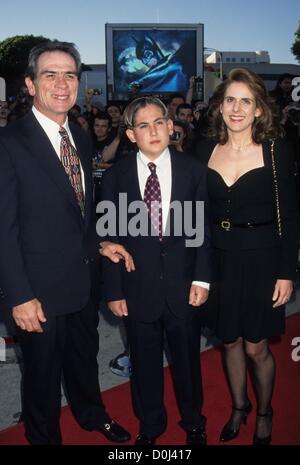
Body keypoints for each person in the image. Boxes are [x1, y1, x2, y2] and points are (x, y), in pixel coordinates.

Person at [0, 40, 133, 445]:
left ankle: (92, 414)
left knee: (83, 360)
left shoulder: (79, 134)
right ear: (29, 83)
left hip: (82, 281)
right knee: (41, 376)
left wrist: (98, 244)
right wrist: (19, 295)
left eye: (69, 75)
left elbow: (78, 210)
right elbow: (3, 228)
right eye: (50, 75)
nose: (61, 84)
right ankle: (44, 437)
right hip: (36, 290)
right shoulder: (8, 143)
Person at [100, 96, 211, 445]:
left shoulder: (192, 170)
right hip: (137, 289)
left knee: (187, 364)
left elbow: (202, 231)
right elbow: (109, 238)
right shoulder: (115, 176)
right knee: (144, 365)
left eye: (159, 122)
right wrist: (114, 291)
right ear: (131, 134)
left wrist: (202, 278)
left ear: (170, 125)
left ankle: (194, 423)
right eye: (143, 125)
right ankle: (150, 426)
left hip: (183, 286)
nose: (153, 131)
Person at [196, 68, 299, 445]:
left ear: (258, 109)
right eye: (229, 100)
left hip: (261, 258)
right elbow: (193, 207)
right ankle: (240, 406)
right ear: (220, 106)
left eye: (245, 101)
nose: (236, 108)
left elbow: (289, 214)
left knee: (256, 345)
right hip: (219, 257)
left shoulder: (276, 148)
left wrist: (287, 271)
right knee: (229, 340)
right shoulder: (204, 146)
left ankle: (265, 411)